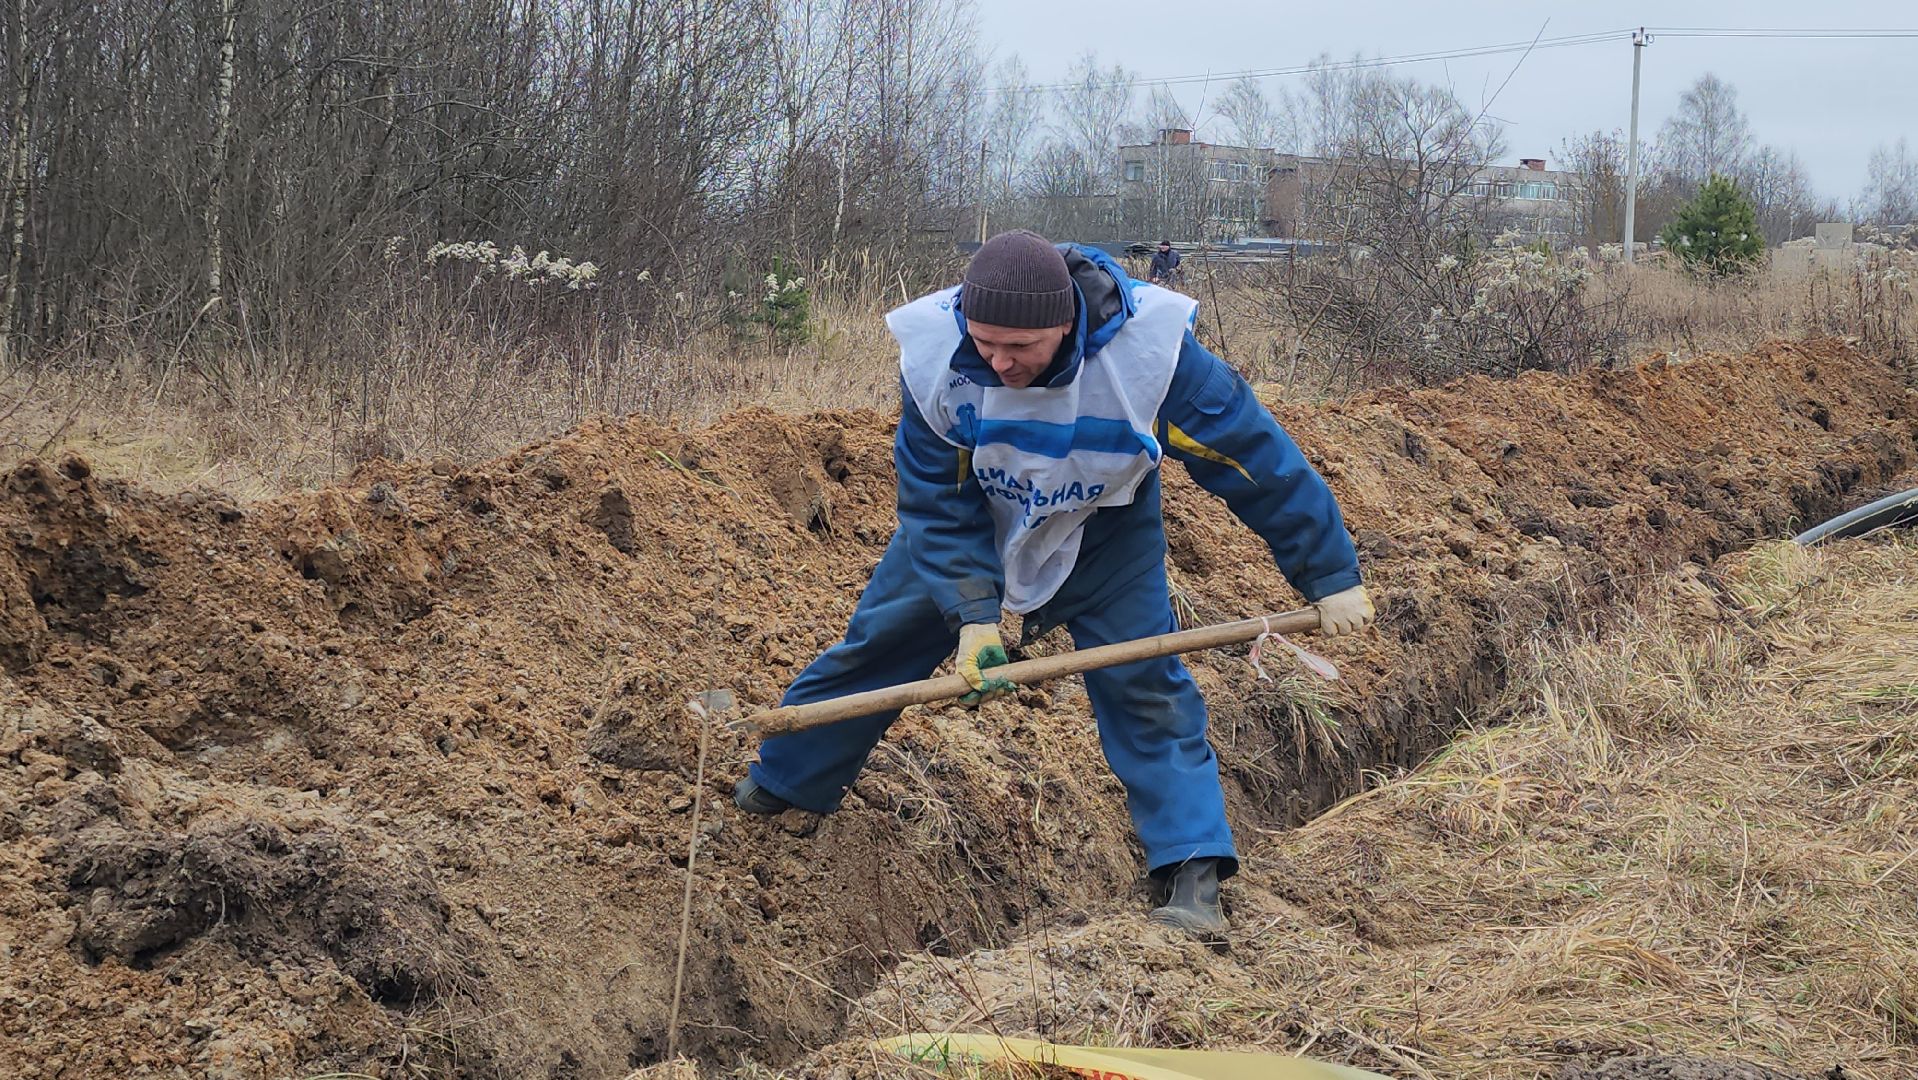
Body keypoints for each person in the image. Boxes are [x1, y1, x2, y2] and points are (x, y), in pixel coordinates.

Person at [734, 230, 1372, 936]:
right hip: (975, 517)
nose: (999, 362)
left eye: (1021, 348)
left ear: (1066, 322)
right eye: (985, 343)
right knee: (880, 643)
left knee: (1146, 687)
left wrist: (1329, 572)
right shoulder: (937, 360)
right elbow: (936, 503)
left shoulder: (1149, 357)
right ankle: (787, 780)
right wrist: (974, 614)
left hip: (1102, 529)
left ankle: (1191, 870)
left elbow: (1252, 459)